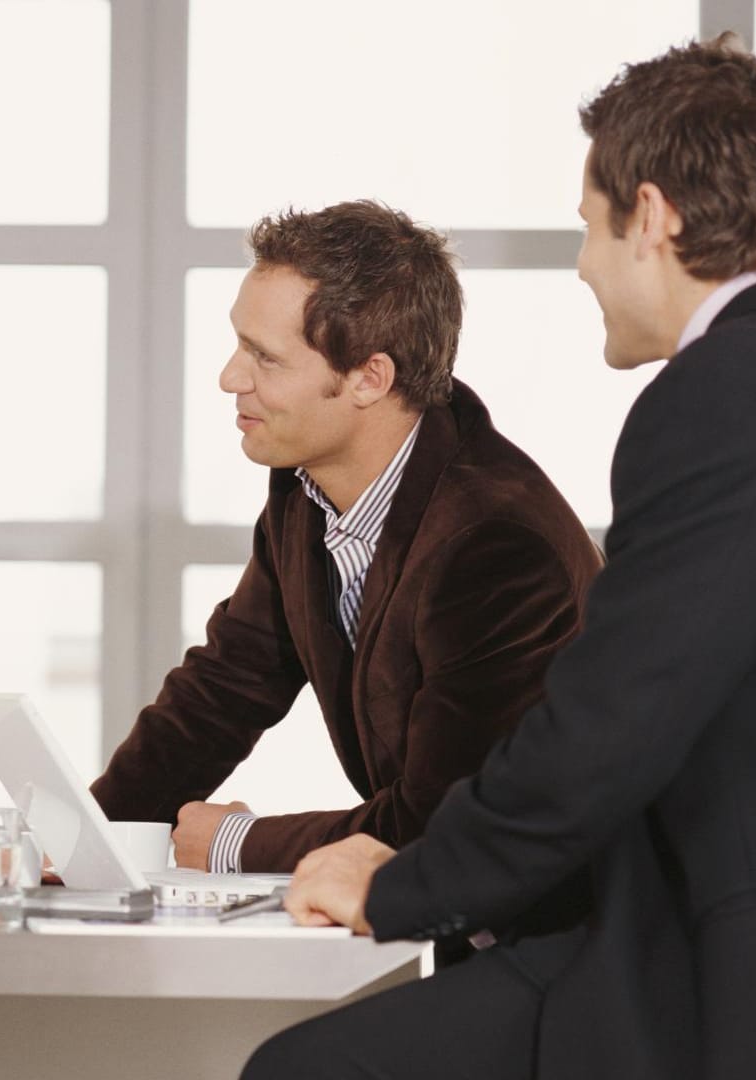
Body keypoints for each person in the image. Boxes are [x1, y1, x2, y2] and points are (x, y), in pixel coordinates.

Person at [251, 37, 756, 1080]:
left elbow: (609, 720)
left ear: (651, 217)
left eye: (590, 227)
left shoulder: (725, 401)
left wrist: (405, 884)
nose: (585, 264)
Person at [89, 200, 601, 898]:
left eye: (264, 356)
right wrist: (80, 839)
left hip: (564, 932)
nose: (230, 378)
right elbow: (225, 689)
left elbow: (442, 823)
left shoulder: (494, 543)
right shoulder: (305, 490)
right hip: (450, 914)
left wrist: (235, 845)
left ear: (370, 377)